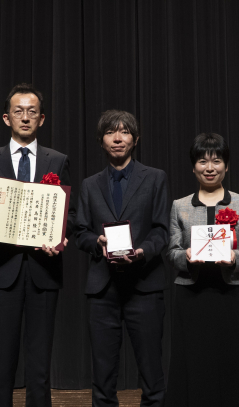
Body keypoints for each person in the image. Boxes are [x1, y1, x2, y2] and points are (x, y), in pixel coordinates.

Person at [0, 83, 76, 406]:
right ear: (7, 118)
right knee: (1, 365)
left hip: (44, 271)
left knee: (40, 366)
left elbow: (70, 214)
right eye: (18, 111)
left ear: (42, 119)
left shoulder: (57, 160)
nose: (25, 117)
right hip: (2, 271)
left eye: (32, 112)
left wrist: (61, 236)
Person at [74, 110, 169, 407]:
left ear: (135, 139)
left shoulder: (155, 178)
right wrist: (96, 242)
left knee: (152, 373)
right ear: (101, 141)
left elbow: (162, 230)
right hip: (103, 289)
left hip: (145, 286)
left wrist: (142, 252)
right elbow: (80, 232)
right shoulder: (90, 185)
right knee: (102, 376)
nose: (117, 138)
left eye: (125, 132)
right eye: (110, 132)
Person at [164, 133, 239, 406]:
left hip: (230, 292)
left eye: (216, 161)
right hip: (191, 293)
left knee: (232, 357)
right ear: (193, 167)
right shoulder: (180, 206)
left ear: (226, 166)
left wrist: (234, 257)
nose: (210, 168)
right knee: (192, 357)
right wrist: (185, 257)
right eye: (202, 161)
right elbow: (171, 251)